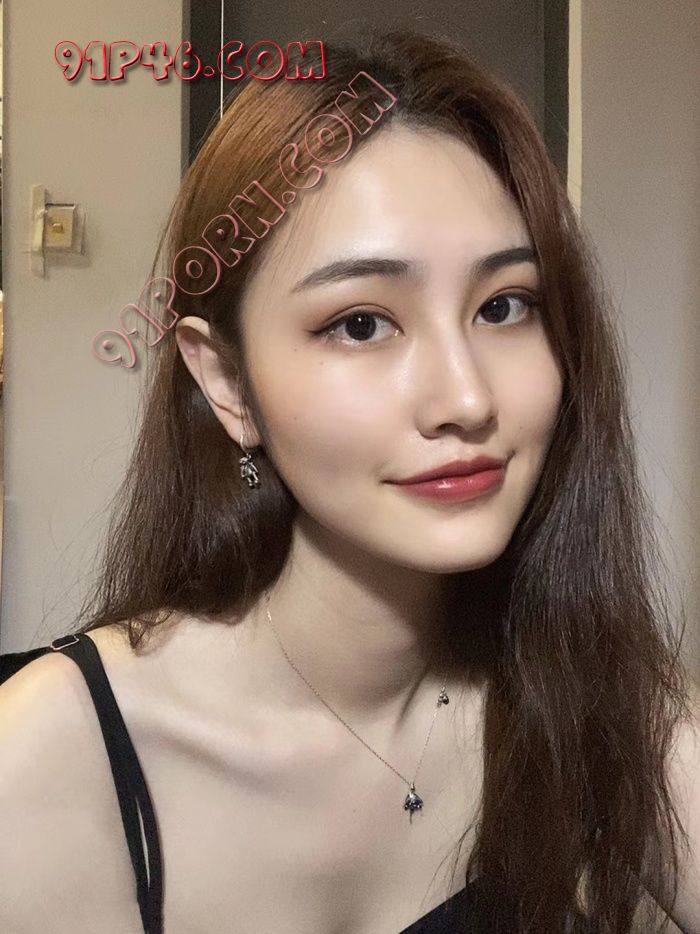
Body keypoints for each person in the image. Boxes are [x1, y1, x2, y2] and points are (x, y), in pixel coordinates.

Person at [1, 26, 699, 934]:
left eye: (504, 306)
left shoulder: (591, 700)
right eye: (361, 323)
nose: (465, 398)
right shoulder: (51, 762)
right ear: (227, 382)